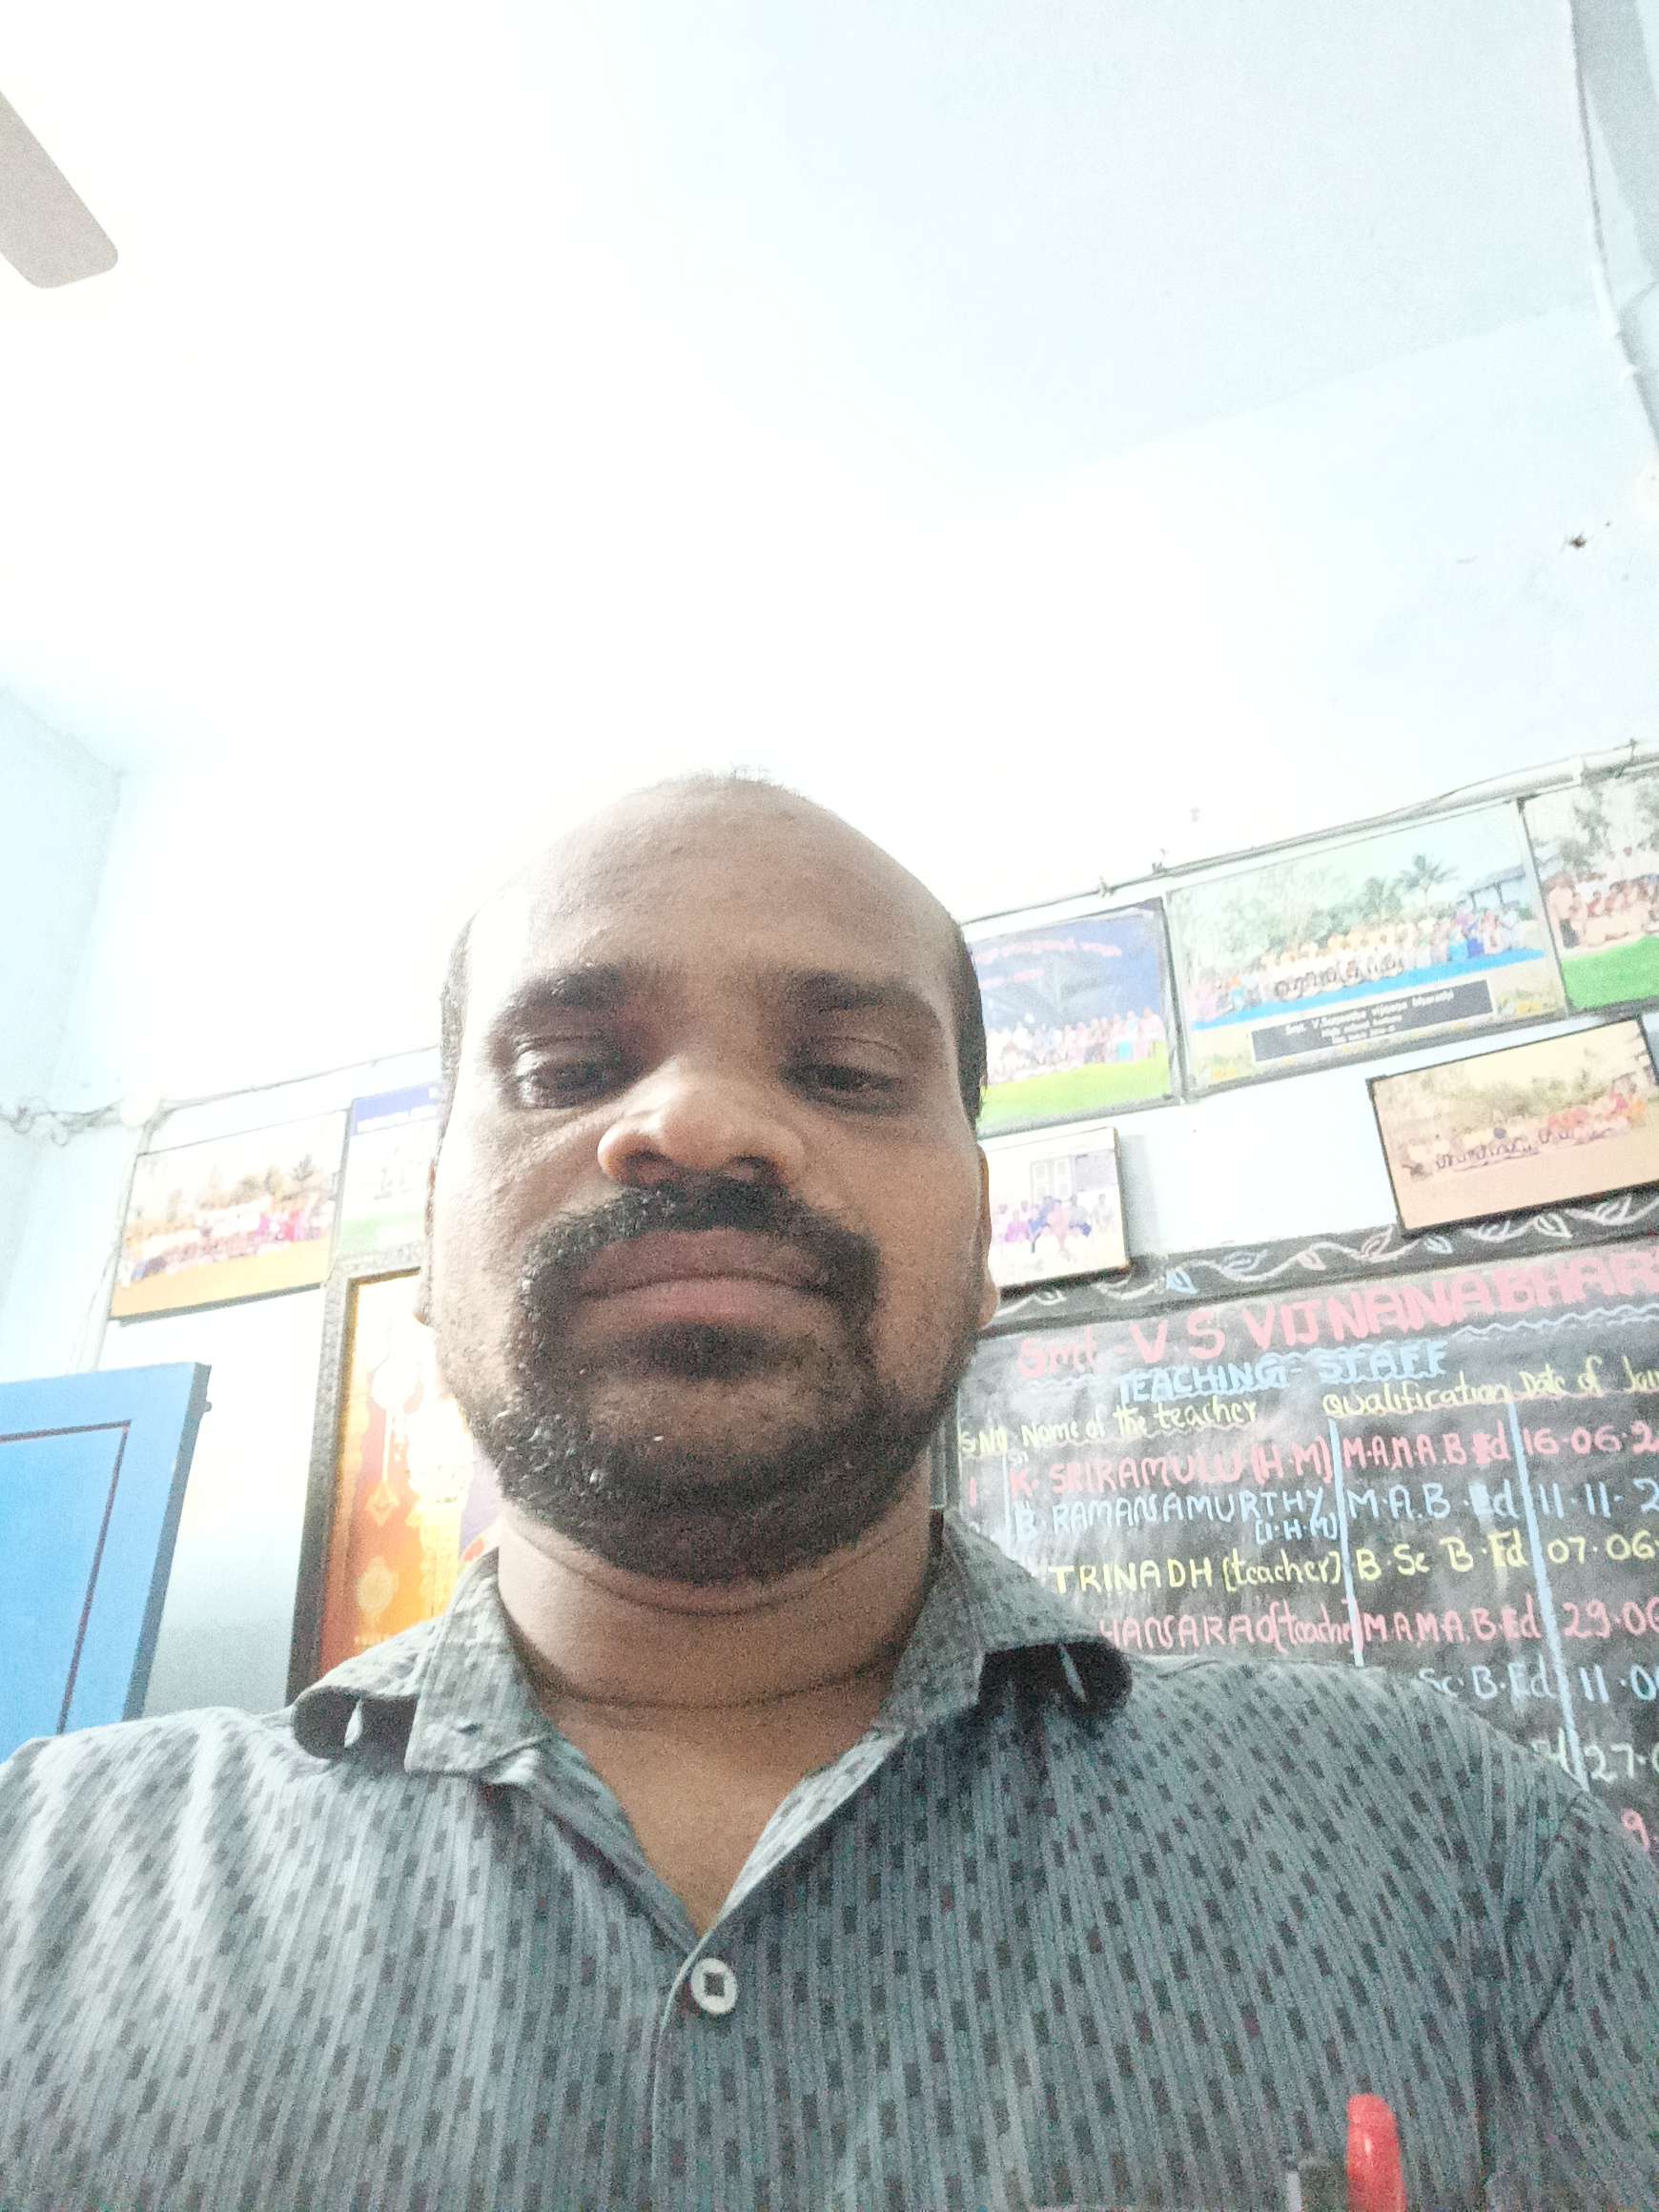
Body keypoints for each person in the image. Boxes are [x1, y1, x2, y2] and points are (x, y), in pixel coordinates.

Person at [1, 773, 1656, 2212]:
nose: (697, 1120)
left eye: (851, 1070)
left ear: (990, 1239)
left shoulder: (1469, 1857)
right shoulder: (35, 1883)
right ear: (425, 1246)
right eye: (567, 1068)